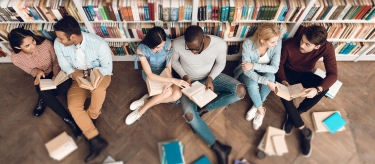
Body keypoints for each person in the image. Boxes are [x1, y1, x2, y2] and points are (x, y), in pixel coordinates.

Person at [172, 25, 247, 164]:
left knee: (240, 91)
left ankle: (203, 109)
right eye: (189, 48)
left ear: (204, 39)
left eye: (196, 49)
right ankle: (218, 147)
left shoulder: (219, 44)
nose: (193, 52)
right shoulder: (177, 44)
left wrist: (211, 78)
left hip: (211, 77)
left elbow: (220, 63)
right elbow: (174, 61)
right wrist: (184, 75)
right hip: (189, 82)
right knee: (189, 115)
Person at [53, 16, 112, 162]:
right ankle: (95, 140)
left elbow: (107, 69)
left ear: (72, 36)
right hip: (78, 79)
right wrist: (73, 73)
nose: (58, 40)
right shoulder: (58, 43)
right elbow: (64, 65)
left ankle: (92, 117)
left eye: (61, 38)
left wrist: (86, 73)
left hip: (99, 76)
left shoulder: (99, 44)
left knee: (99, 90)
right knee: (73, 106)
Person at [276, 25, 338, 157]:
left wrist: (317, 89)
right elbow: (278, 65)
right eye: (302, 40)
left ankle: (294, 115)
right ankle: (305, 132)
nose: (302, 45)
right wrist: (283, 81)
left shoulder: (327, 48)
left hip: (305, 73)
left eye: (307, 44)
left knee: (323, 88)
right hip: (287, 74)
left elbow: (333, 74)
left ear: (317, 46)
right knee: (284, 94)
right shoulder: (289, 44)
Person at [9, 28, 82, 138]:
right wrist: (37, 72)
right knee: (43, 90)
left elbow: (56, 61)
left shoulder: (46, 44)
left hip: (56, 71)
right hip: (41, 76)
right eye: (27, 45)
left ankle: (44, 99)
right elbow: (30, 70)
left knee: (65, 85)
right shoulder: (15, 58)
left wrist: (55, 75)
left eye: (32, 41)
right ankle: (69, 121)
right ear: (18, 47)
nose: (33, 46)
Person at [125, 27, 190, 125]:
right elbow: (150, 75)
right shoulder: (141, 49)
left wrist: (168, 83)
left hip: (165, 72)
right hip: (151, 74)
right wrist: (172, 81)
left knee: (176, 95)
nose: (161, 49)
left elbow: (168, 66)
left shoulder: (168, 44)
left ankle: (145, 102)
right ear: (151, 45)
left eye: (163, 45)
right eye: (158, 47)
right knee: (168, 94)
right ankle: (140, 112)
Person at [233, 23, 281, 130]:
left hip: (263, 69)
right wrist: (266, 82)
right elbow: (247, 70)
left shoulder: (278, 43)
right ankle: (261, 110)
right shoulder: (248, 44)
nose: (276, 44)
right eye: (272, 42)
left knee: (271, 77)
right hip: (247, 72)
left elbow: (274, 68)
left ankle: (256, 104)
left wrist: (254, 65)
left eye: (276, 40)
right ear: (262, 40)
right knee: (252, 83)